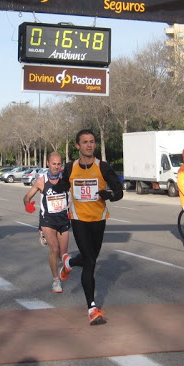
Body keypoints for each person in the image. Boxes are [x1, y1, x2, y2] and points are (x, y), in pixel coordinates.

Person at [52, 129, 123, 325]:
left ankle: (69, 263)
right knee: (90, 263)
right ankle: (92, 308)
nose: (89, 145)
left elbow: (119, 191)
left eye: (92, 142)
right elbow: (62, 187)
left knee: (89, 258)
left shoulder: (103, 167)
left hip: (98, 220)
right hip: (79, 219)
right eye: (84, 142)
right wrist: (54, 182)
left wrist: (108, 195)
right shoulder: (70, 167)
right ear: (77, 146)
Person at [23, 152, 70, 293]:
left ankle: (63, 267)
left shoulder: (65, 179)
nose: (56, 166)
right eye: (53, 163)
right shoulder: (41, 181)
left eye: (59, 164)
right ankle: (56, 281)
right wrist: (27, 204)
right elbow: (27, 196)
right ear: (48, 164)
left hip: (63, 219)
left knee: (63, 253)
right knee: (54, 249)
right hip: (47, 220)